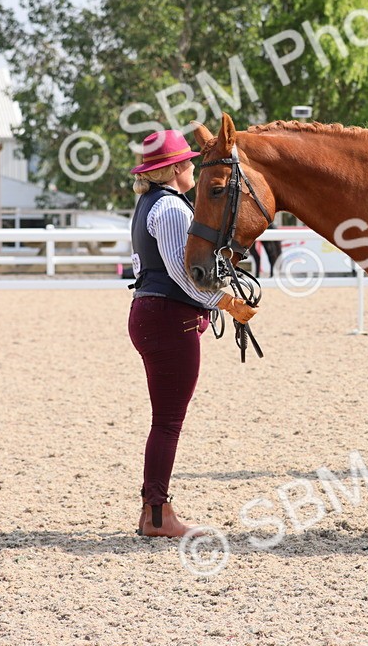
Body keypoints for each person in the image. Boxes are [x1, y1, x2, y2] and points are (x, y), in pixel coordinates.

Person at [128, 129, 258, 537]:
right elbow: (184, 276)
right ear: (174, 169)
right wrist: (226, 302)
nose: (193, 170)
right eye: (187, 164)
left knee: (165, 419)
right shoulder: (170, 210)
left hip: (153, 312)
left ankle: (154, 510)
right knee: (168, 422)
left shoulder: (150, 204)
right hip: (169, 317)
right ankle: (157, 515)